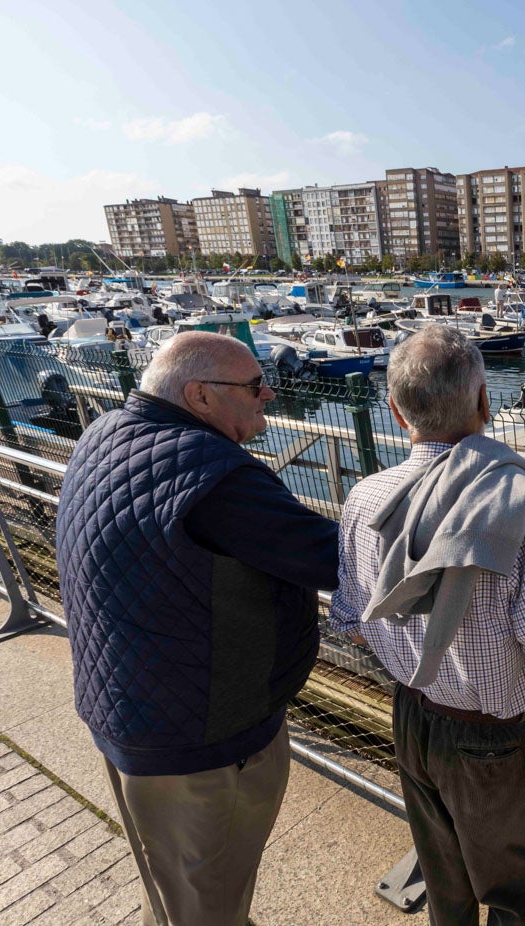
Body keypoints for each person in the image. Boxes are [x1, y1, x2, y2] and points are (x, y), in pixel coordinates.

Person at [55, 331, 339, 926]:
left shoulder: (103, 433)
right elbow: (337, 557)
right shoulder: (215, 476)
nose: (269, 396)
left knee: (173, 886)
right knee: (209, 899)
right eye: (255, 386)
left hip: (130, 715)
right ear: (201, 396)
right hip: (202, 742)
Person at [330, 324, 525, 926]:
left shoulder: (365, 498)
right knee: (518, 893)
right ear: (483, 402)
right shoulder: (512, 503)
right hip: (498, 740)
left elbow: (353, 617)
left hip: (413, 716)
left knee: (444, 879)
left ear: (395, 412)